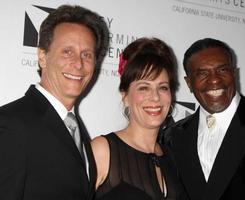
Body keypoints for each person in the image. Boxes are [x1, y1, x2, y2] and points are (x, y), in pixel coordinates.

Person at [161, 38, 245, 200]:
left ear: (234, 73)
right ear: (189, 83)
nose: (214, 80)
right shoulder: (172, 137)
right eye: (202, 73)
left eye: (222, 70)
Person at [0, 5, 108, 200]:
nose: (78, 64)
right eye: (67, 52)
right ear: (42, 57)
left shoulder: (76, 128)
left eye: (87, 55)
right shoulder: (11, 124)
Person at [91, 37, 188, 200]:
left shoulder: (172, 158)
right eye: (144, 87)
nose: (155, 97)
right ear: (126, 96)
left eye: (163, 87)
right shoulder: (102, 150)